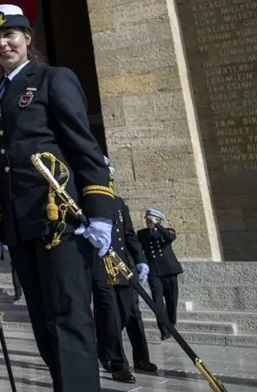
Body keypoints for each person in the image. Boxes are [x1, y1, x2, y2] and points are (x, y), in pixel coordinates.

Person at [0, 3, 115, 392]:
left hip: (61, 220)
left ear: (27, 38)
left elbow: (84, 147)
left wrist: (100, 211)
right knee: (43, 322)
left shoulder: (53, 78)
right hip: (23, 226)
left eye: (9, 35)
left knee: (69, 317)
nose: (2, 44)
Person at [91, 160, 156, 382]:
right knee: (109, 314)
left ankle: (137, 358)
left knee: (129, 312)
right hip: (99, 267)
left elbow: (129, 236)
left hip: (122, 268)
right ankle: (117, 363)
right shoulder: (87, 202)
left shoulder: (119, 204)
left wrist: (141, 260)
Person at [137, 207, 183, 340]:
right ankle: (164, 330)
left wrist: (157, 225)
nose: (148, 222)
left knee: (172, 300)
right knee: (157, 302)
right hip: (154, 271)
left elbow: (169, 238)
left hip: (169, 270)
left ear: (159, 220)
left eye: (151, 220)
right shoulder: (141, 234)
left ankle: (171, 323)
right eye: (147, 220)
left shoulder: (168, 231)